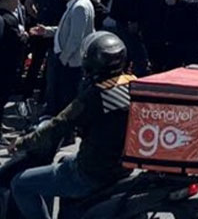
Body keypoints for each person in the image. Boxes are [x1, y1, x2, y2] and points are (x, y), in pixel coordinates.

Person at [9, 32, 135, 219]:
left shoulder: (95, 96)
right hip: (119, 168)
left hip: (91, 173)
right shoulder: (132, 84)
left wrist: (21, 142)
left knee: (20, 184)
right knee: (62, 162)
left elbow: (59, 124)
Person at [31, 0, 95, 118]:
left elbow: (75, 38)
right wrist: (46, 31)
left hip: (70, 61)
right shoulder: (77, 3)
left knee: (65, 95)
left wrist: (63, 59)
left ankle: (64, 131)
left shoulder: (80, 7)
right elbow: (66, 29)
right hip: (68, 58)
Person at [23, 0, 71, 104]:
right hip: (57, 31)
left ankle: (27, 93)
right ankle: (44, 96)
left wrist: (36, 16)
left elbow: (28, 3)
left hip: (41, 28)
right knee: (51, 66)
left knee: (35, 63)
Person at [109, 0, 152, 76]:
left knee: (129, 55)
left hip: (128, 22)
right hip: (127, 23)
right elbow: (128, 2)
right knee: (139, 56)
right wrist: (132, 20)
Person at [0, 0, 27, 125]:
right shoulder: (10, 19)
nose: (18, 4)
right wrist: (24, 37)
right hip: (6, 65)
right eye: (16, 0)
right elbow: (15, 41)